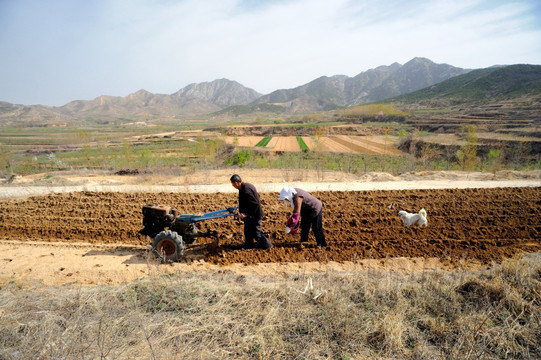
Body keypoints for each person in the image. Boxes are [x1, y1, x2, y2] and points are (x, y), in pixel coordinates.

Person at [230, 174, 273, 249]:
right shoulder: (246, 186)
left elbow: (255, 204)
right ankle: (249, 246)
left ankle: (268, 246)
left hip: (255, 215)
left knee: (256, 233)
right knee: (247, 231)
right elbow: (257, 196)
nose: (233, 186)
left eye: (233, 184)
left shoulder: (246, 190)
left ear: (236, 183)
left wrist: (246, 214)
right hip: (250, 215)